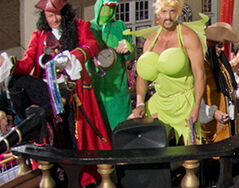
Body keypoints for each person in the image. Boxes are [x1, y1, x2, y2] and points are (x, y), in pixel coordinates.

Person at [5, 0, 112, 172]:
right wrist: (11, 64)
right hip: (48, 90)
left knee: (71, 136)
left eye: (57, 14)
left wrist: (74, 56)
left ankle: (80, 176)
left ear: (65, 12)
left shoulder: (80, 27)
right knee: (14, 81)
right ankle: (29, 125)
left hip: (72, 89)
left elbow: (92, 45)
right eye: (49, 16)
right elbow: (27, 63)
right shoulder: (39, 35)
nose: (54, 19)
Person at [131, 0, 205, 145]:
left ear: (178, 13)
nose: (168, 17)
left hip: (184, 103)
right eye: (164, 12)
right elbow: (142, 75)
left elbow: (199, 74)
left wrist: (196, 107)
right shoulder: (150, 41)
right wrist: (140, 104)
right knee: (130, 136)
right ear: (158, 13)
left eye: (172, 11)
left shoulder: (188, 36)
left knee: (189, 157)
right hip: (160, 102)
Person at [87, 0, 133, 131]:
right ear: (99, 6)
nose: (111, 11)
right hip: (94, 90)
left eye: (114, 7)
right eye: (108, 7)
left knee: (120, 133)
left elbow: (130, 57)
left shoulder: (119, 26)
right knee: (97, 134)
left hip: (117, 92)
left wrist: (129, 48)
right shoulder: (88, 27)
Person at [201, 22, 239, 143]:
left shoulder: (221, 62)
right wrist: (213, 113)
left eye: (223, 45)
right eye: (219, 45)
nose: (222, 49)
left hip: (229, 118)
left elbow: (230, 86)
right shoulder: (202, 66)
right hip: (212, 124)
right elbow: (197, 98)